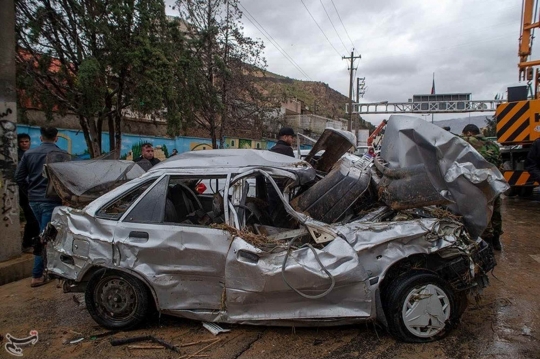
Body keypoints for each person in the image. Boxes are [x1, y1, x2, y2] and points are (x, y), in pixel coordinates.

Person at [16, 127, 67, 287]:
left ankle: (48, 270)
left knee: (45, 234)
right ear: (56, 138)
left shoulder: (29, 154)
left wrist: (30, 191)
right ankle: (37, 275)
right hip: (52, 201)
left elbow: (19, 177)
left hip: (34, 201)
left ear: (40, 137)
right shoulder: (62, 155)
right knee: (46, 237)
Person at [461, 124, 503, 250]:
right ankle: (496, 240)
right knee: (495, 210)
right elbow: (500, 166)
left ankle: (483, 242)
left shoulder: (465, 142)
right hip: (492, 182)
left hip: (474, 184)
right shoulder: (493, 145)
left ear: (468, 133)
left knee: (479, 211)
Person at [267, 127, 296, 223]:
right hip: (282, 188)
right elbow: (293, 169)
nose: (293, 140)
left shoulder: (272, 149)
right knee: (282, 214)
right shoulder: (287, 150)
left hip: (271, 186)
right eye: (291, 137)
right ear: (285, 137)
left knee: (273, 212)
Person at [16, 134, 40, 252]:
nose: (24, 144)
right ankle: (27, 243)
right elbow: (19, 177)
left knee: (33, 219)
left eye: (26, 141)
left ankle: (30, 242)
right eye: (22, 142)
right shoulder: (17, 156)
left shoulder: (31, 154)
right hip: (24, 192)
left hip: (31, 190)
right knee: (32, 219)